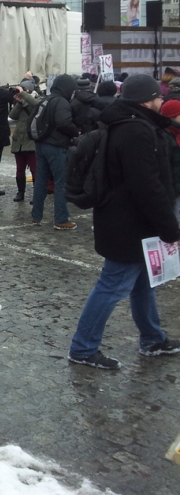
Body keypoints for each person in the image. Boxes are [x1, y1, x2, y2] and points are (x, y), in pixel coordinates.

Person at [68, 75, 180, 370]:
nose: (162, 100)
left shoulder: (128, 123)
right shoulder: (135, 130)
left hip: (129, 222)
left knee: (143, 284)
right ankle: (83, 348)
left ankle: (153, 339)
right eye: (158, 96)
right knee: (111, 286)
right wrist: (169, 227)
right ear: (148, 99)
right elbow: (147, 186)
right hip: (128, 224)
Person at [30, 74, 79, 230]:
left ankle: (36, 216)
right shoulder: (62, 102)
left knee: (41, 180)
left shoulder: (46, 99)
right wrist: (76, 132)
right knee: (61, 182)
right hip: (56, 145)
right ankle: (61, 219)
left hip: (41, 143)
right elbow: (64, 122)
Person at [9, 80, 40, 202]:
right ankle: (20, 192)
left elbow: (36, 108)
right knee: (20, 169)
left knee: (34, 169)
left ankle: (37, 194)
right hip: (19, 141)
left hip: (31, 141)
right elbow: (12, 115)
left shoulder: (37, 100)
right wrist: (19, 103)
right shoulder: (22, 102)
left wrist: (25, 100)